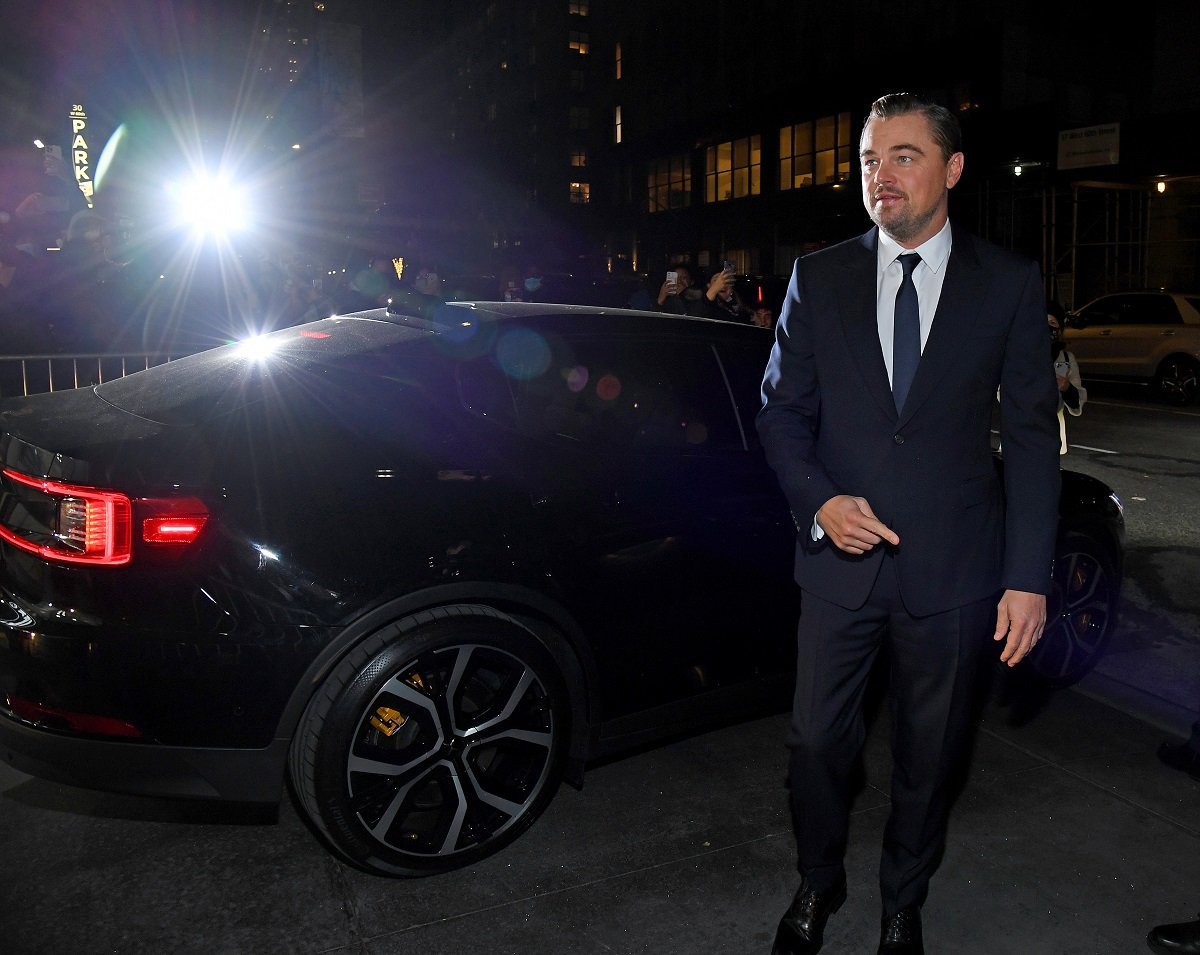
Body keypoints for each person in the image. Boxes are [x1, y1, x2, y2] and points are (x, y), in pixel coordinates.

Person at [757, 93, 1060, 955]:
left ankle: (902, 899)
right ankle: (819, 881)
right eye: (867, 160)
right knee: (815, 743)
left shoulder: (1006, 283)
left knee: (929, 761)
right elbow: (780, 413)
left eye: (902, 156)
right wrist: (818, 499)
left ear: (952, 168)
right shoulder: (819, 276)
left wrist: (1029, 575)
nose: (879, 177)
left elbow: (1034, 439)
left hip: (958, 570)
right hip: (840, 565)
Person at [1048, 301, 1086, 454]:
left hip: (1051, 437)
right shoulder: (1021, 356)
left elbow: (1077, 405)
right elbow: (1002, 394)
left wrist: (1066, 388)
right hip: (1020, 435)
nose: (1047, 327)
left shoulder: (1066, 359)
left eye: (1052, 322)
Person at [655, 263, 735, 318]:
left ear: (692, 281)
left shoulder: (699, 296)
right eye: (676, 278)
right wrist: (660, 300)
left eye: (684, 278)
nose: (679, 281)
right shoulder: (667, 302)